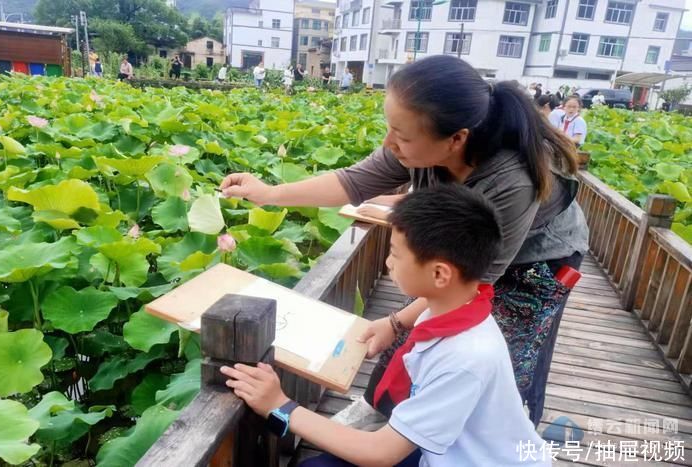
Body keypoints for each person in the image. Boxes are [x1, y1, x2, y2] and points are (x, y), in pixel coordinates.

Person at [219, 55, 589, 428]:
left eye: (401, 135)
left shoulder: (512, 181)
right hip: (462, 251)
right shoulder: (423, 142)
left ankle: (493, 432)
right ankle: (381, 412)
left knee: (504, 355)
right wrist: (268, 194)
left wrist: (395, 322)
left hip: (537, 259)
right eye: (390, 127)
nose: (389, 142)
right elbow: (354, 182)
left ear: (457, 139)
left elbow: (470, 287)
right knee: (418, 322)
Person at [221, 184, 552, 467]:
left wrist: (281, 407)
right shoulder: (454, 307)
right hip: (447, 447)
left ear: (439, 274)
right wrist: (393, 323)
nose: (387, 263)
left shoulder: (465, 358)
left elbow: (380, 454)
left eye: (395, 254)